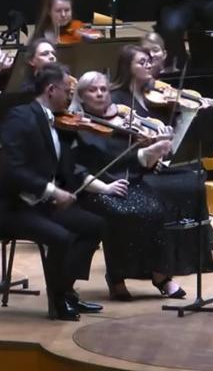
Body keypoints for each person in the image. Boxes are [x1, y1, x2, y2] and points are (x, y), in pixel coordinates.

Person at [0, 64, 120, 320]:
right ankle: (57, 302)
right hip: (14, 206)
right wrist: (53, 191)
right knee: (62, 238)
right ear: (51, 89)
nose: (70, 96)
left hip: (41, 205)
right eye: (67, 91)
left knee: (94, 225)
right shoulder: (21, 117)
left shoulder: (61, 122)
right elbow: (11, 168)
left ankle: (66, 291)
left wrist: (138, 152)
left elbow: (72, 166)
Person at [69, 71, 184, 301]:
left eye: (103, 89)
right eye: (93, 90)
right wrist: (105, 188)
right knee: (120, 214)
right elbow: (75, 170)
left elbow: (139, 163)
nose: (100, 94)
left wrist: (157, 149)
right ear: (81, 96)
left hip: (130, 183)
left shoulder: (123, 121)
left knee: (157, 209)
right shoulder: (76, 126)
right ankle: (116, 277)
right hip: (96, 187)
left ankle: (161, 275)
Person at [32, 0, 101, 45]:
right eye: (58, 11)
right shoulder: (41, 35)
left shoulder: (78, 27)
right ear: (49, 12)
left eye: (67, 10)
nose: (63, 14)